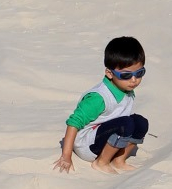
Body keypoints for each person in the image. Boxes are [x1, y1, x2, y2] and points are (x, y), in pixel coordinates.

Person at [55, 35, 149, 173]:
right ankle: (101, 162)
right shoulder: (99, 97)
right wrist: (66, 155)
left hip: (108, 134)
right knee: (126, 124)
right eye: (126, 75)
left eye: (139, 73)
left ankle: (119, 160)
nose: (134, 80)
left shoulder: (126, 89)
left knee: (141, 123)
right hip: (87, 145)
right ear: (109, 73)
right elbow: (74, 123)